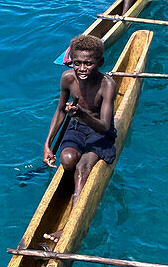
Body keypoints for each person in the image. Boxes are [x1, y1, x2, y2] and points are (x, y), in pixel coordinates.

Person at [42, 33, 117, 244]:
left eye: (88, 64)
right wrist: (47, 145)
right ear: (71, 62)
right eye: (77, 63)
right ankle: (72, 185)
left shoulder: (107, 85)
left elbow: (104, 126)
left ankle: (69, 225)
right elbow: (59, 112)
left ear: (100, 63)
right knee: (66, 159)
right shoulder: (67, 78)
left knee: (83, 167)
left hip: (101, 132)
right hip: (77, 127)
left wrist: (81, 114)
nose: (82, 69)